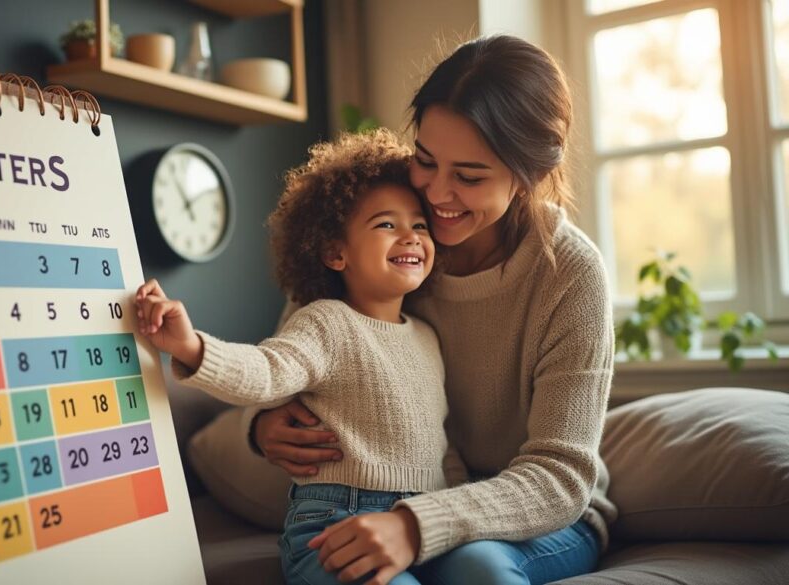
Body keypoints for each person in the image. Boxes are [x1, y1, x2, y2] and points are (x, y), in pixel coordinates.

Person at [246, 34, 617, 585]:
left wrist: (418, 524)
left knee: (478, 567)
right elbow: (284, 361)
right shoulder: (381, 217)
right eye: (424, 159)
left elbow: (561, 475)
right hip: (394, 497)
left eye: (469, 177)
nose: (436, 193)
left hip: (535, 514)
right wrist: (265, 426)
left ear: (530, 175)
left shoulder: (570, 274)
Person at [134, 129, 468, 585]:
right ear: (335, 253)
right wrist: (191, 346)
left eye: (420, 225)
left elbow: (440, 444)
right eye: (387, 225)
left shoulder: (429, 337)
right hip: (333, 525)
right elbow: (266, 372)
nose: (410, 237)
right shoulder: (326, 322)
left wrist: (456, 509)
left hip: (421, 525)